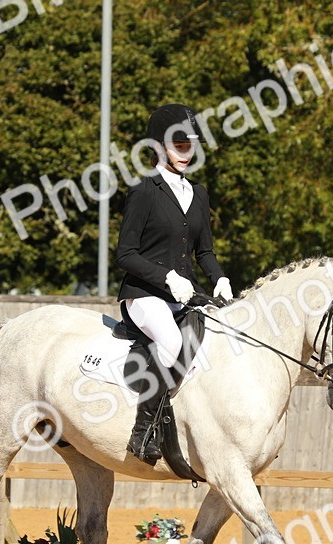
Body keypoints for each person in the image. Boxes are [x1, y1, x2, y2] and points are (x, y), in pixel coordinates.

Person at [115, 103, 233, 462]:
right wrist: (166, 278)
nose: (186, 152)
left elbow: (204, 252)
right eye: (177, 145)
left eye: (190, 144)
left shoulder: (198, 193)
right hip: (144, 297)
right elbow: (125, 254)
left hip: (185, 298)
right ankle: (143, 433)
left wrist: (220, 278)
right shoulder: (144, 190)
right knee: (170, 343)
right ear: (158, 146)